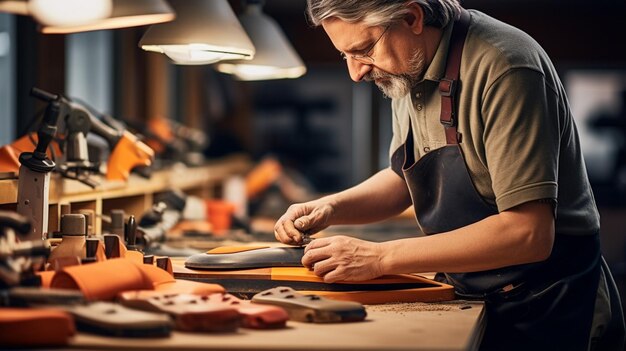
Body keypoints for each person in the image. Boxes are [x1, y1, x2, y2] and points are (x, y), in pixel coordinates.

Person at [273, 1, 626, 350]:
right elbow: (403, 179)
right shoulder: (408, 67)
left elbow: (529, 233)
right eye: (344, 55)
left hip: (547, 303)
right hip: (471, 286)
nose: (356, 72)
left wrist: (379, 258)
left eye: (363, 50)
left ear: (411, 17)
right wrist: (330, 207)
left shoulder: (506, 66)